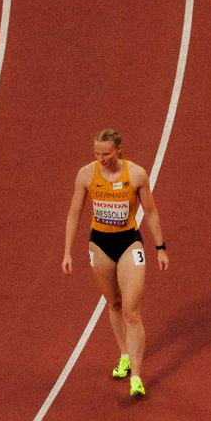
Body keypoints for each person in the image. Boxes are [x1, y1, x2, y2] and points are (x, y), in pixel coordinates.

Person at [63, 127, 167, 399]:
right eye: (96, 154)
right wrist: (67, 251)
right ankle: (124, 355)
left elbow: (151, 212)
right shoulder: (86, 175)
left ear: (119, 150)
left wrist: (160, 248)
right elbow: (74, 213)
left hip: (129, 243)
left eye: (106, 154)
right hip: (99, 245)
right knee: (114, 304)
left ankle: (136, 377)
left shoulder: (136, 175)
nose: (101, 159)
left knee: (132, 312)